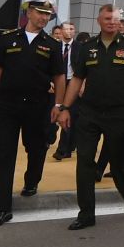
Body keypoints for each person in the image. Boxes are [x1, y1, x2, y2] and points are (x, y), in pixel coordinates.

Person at [58, 4, 124, 231]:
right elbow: (77, 79)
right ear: (99, 20)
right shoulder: (87, 47)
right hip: (89, 112)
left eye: (116, 19)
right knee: (85, 162)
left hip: (120, 114)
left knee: (118, 166)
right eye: (108, 18)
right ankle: (86, 214)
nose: (112, 22)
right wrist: (65, 108)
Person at [0, 0, 61, 227]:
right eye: (40, 12)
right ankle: (2, 208)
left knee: (36, 148)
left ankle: (32, 180)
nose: (44, 18)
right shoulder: (8, 39)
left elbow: (59, 76)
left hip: (37, 107)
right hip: (7, 105)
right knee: (4, 154)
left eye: (48, 14)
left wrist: (58, 104)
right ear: (29, 12)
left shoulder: (52, 44)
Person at [51, 22, 79, 160]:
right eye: (66, 29)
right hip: (54, 84)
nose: (69, 32)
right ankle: (49, 138)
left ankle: (63, 149)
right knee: (51, 115)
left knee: (69, 115)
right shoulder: (53, 47)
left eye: (72, 29)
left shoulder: (80, 48)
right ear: (61, 31)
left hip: (73, 83)